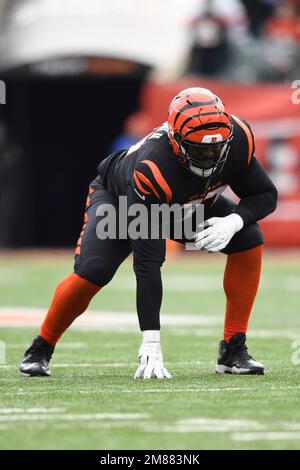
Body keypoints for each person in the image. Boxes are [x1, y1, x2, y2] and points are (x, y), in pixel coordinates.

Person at [20, 87, 277, 378]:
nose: (208, 156)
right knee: (95, 271)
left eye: (215, 148)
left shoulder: (239, 140)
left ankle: (233, 349)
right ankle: (41, 346)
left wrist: (235, 221)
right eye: (198, 149)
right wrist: (151, 341)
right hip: (121, 202)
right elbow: (147, 265)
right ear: (175, 140)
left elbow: (265, 194)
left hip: (186, 204)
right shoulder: (153, 167)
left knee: (248, 238)